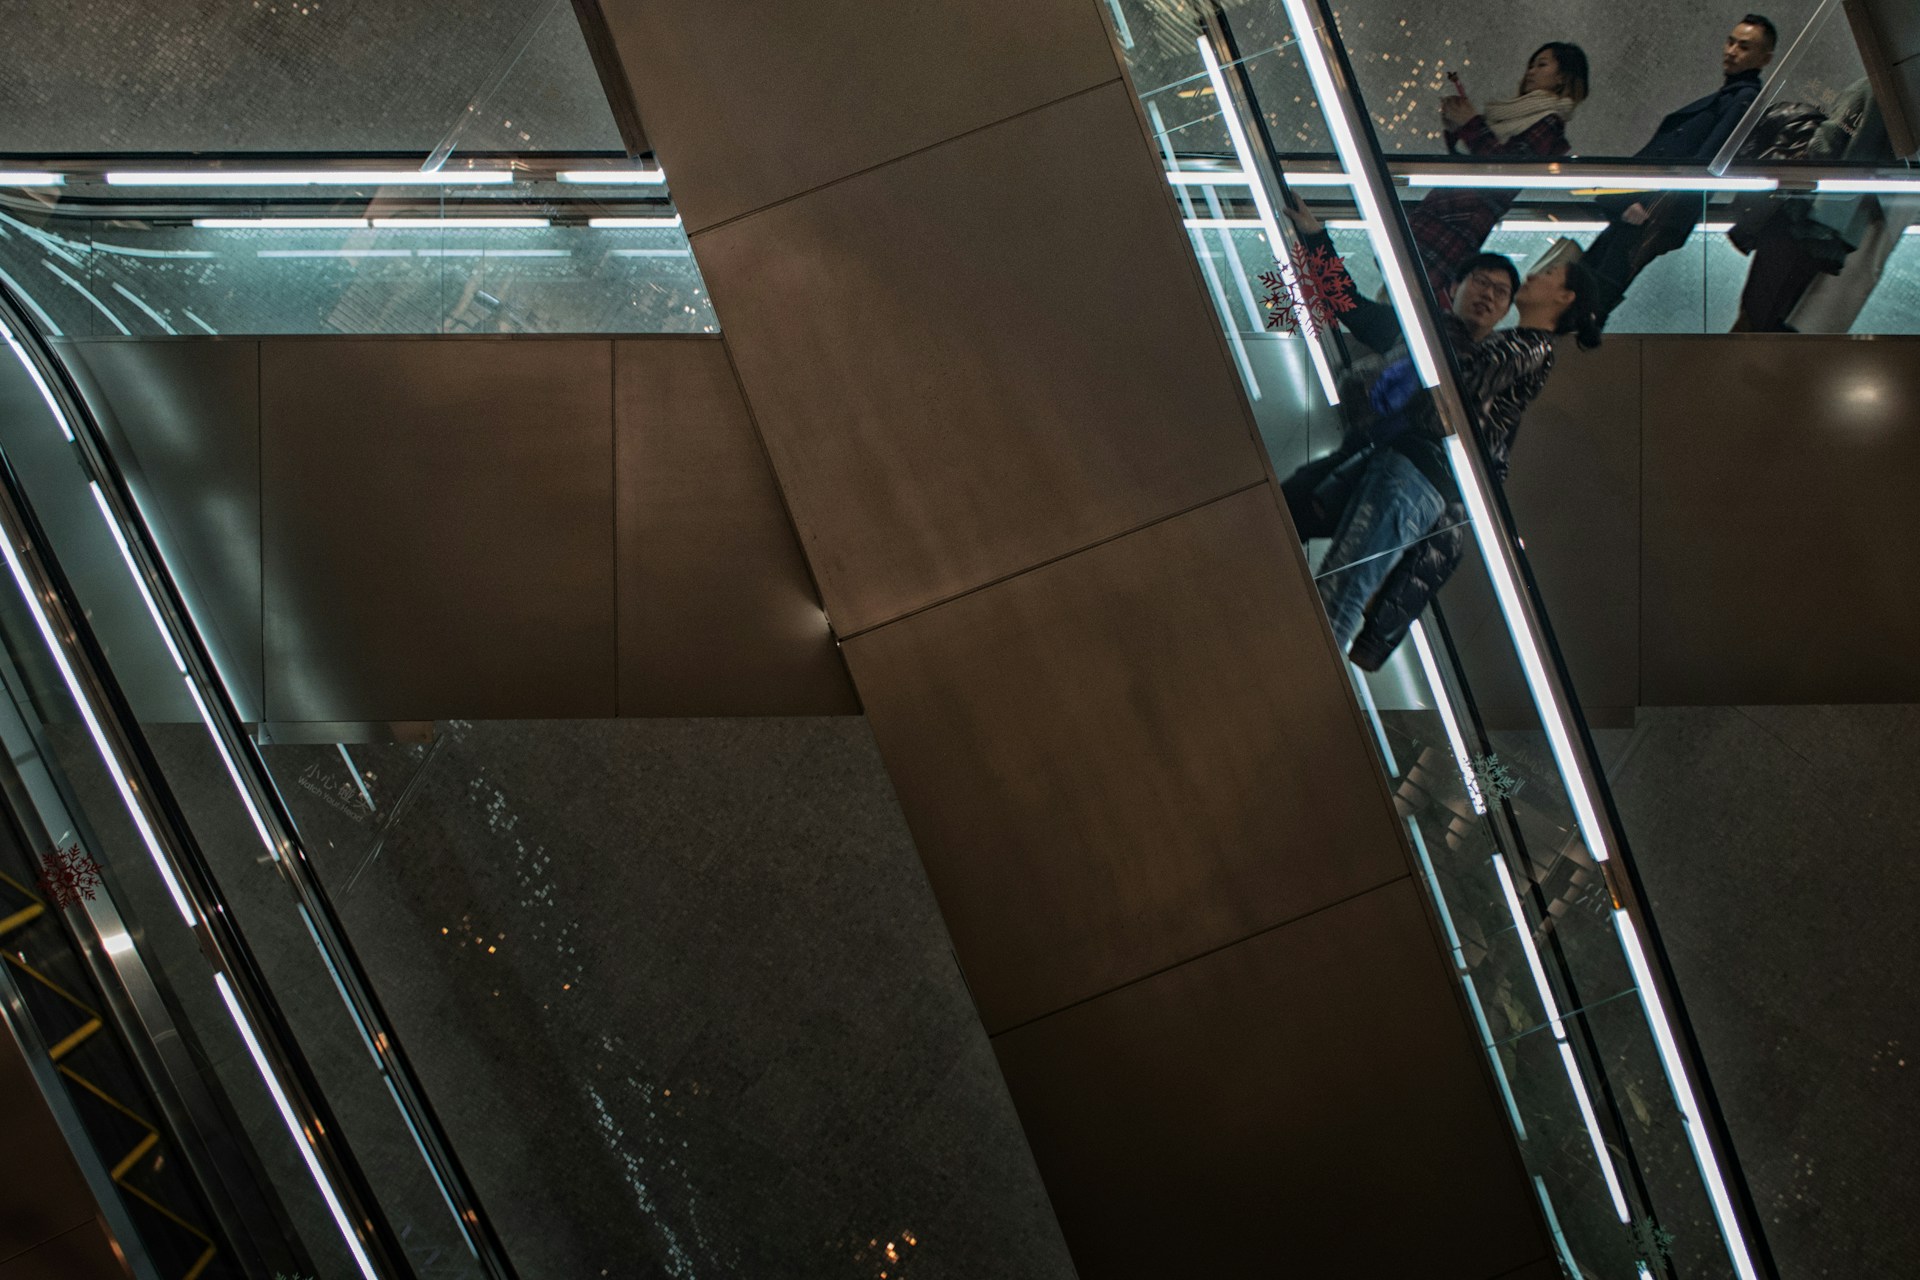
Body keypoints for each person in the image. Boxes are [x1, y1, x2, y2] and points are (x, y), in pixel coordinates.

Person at [1278, 203, 1603, 668]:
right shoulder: (1417, 331)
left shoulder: (1501, 366)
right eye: (1481, 283)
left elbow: (1478, 473)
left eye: (1502, 292)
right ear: (1453, 288)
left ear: (1508, 310)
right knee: (1289, 525)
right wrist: (1314, 237)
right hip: (1364, 461)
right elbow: (1343, 300)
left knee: (1344, 583)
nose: (1489, 295)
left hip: (1405, 474)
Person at [1581, 15, 1776, 324]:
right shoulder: (1732, 97)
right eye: (1730, 41)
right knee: (1590, 289)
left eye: (1744, 46)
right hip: (1646, 208)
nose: (1732, 50)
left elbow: (1705, 164)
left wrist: (1649, 209)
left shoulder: (1743, 99)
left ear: (1764, 58)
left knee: (1593, 293)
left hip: (1650, 213)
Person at [1409, 42, 1591, 304]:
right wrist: (1457, 128)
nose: (1530, 71)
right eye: (1531, 65)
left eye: (1542, 64)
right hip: (1450, 215)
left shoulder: (1548, 122)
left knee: (1414, 300)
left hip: (1459, 220)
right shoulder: (1517, 116)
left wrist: (1471, 124)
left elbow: (1506, 169)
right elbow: (1480, 159)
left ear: (1562, 77)